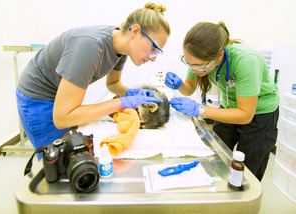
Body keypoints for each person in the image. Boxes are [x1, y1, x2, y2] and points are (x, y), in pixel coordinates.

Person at [16, 2, 170, 160]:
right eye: (153, 48)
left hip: (58, 97)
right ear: (135, 31)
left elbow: (112, 84)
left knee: (72, 153)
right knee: (56, 161)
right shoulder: (90, 46)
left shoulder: (121, 49)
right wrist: (122, 102)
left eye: (157, 52)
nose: (153, 58)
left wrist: (131, 93)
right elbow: (62, 118)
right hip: (38, 99)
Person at [165, 21, 279, 181]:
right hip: (228, 107)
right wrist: (179, 85)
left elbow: (245, 114)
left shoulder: (246, 60)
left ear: (219, 55)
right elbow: (189, 88)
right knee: (214, 153)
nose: (193, 70)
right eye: (188, 63)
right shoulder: (198, 57)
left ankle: (239, 204)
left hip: (259, 114)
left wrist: (200, 109)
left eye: (198, 66)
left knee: (247, 171)